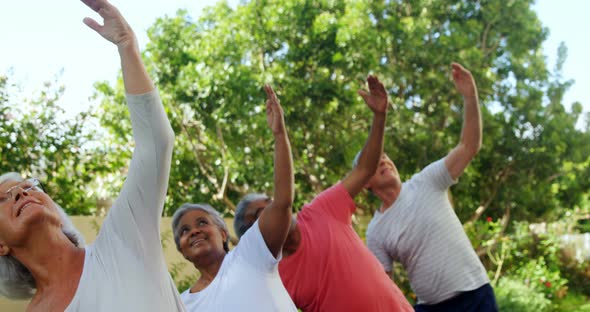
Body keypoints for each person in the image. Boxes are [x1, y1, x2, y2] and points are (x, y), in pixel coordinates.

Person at [0, 0, 185, 310]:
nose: (20, 191)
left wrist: (127, 46)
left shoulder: (125, 241)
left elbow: (156, 145)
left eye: (28, 185)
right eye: (2, 199)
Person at [234, 76, 413, 312]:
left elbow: (364, 169)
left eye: (271, 201)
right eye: (261, 213)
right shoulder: (274, 279)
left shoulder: (321, 210)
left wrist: (380, 116)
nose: (275, 208)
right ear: (257, 236)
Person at [362, 63, 498, 311]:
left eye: (384, 155)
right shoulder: (375, 232)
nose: (383, 159)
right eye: (374, 160)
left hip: (475, 296)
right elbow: (384, 287)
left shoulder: (426, 181)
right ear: (364, 181)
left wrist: (470, 96)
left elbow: (469, 146)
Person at [172, 85, 297, 311]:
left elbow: (282, 203)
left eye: (202, 222)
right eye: (184, 231)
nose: (194, 231)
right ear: (182, 251)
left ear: (223, 233)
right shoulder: (182, 304)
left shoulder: (250, 255)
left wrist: (279, 135)